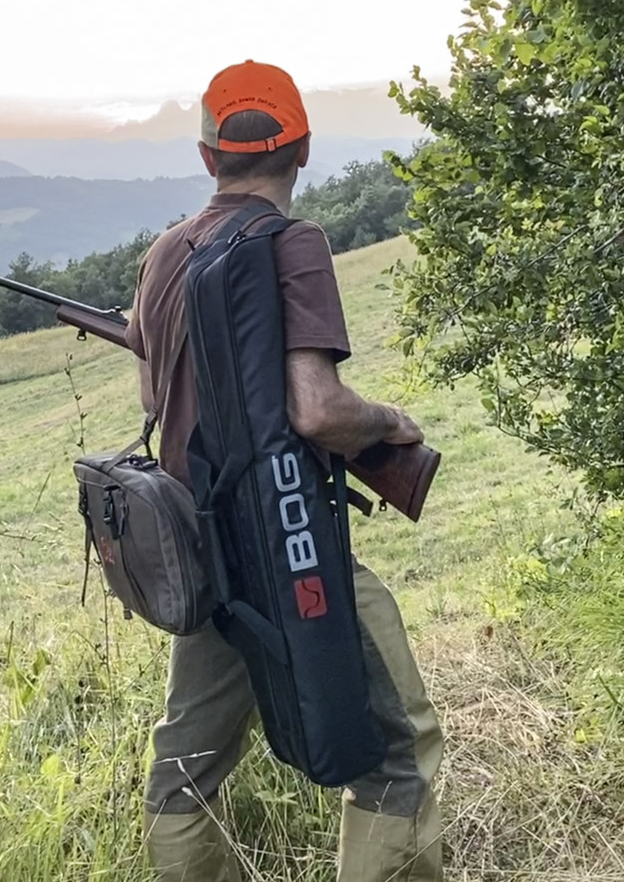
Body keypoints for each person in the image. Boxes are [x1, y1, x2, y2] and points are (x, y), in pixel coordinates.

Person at [123, 60, 444, 881]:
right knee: (400, 753)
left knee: (184, 773)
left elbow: (158, 388)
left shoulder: (164, 252)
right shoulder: (292, 243)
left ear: (206, 158)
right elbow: (316, 410)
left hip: (202, 557)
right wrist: (388, 421)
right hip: (294, 547)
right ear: (302, 148)